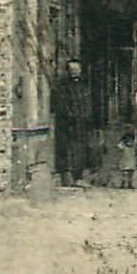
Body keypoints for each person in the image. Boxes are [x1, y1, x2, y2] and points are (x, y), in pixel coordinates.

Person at [53, 59, 94, 187]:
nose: (75, 72)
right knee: (67, 149)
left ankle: (78, 176)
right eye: (72, 70)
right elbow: (61, 105)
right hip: (68, 124)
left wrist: (87, 116)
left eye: (77, 69)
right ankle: (67, 178)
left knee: (80, 150)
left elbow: (88, 104)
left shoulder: (84, 86)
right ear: (68, 71)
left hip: (81, 124)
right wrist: (70, 115)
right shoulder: (63, 87)